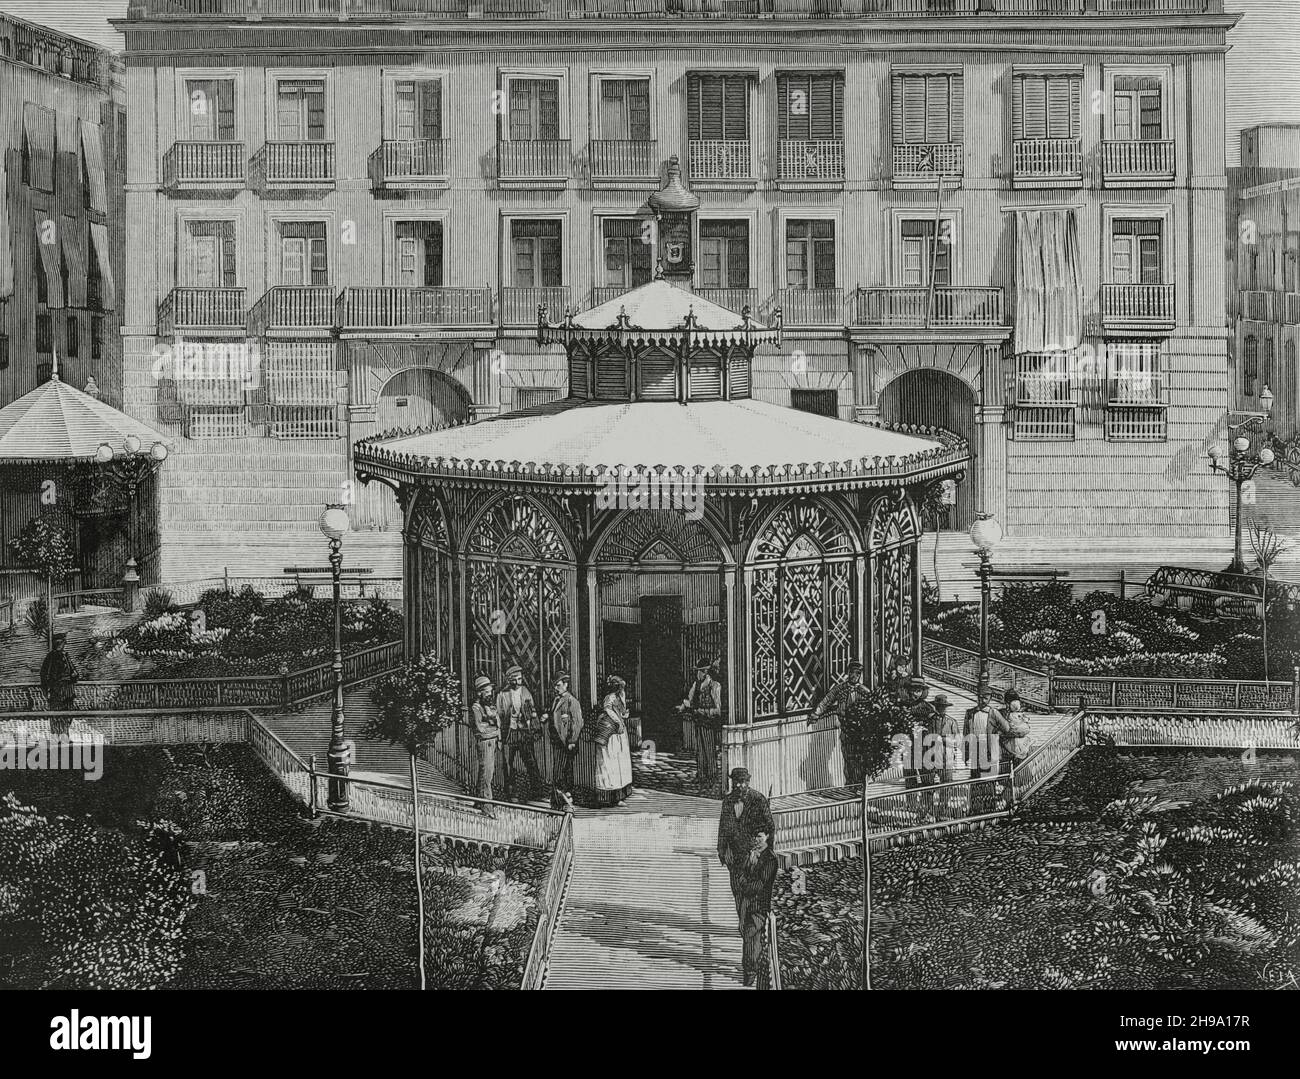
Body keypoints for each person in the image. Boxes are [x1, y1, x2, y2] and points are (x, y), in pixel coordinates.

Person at [718, 767, 776, 943]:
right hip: (734, 856)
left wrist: (762, 851)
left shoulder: (758, 799)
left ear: (748, 782)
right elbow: (723, 829)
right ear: (732, 783)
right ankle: (742, 921)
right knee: (737, 891)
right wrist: (723, 851)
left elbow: (770, 828)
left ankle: (752, 926)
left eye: (743, 782)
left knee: (752, 892)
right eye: (736, 782)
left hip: (753, 855)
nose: (739, 785)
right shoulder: (728, 802)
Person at [734, 830, 779, 988]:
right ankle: (750, 971)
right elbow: (739, 874)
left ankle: (751, 973)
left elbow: (761, 884)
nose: (757, 840)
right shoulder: (751, 854)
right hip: (747, 904)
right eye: (755, 837)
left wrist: (744, 885)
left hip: (759, 905)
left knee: (752, 938)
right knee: (748, 936)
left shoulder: (770, 859)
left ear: (767, 837)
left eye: (760, 836)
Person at [584, 675, 633, 807]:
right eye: (620, 687)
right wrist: (618, 720)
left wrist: (623, 715)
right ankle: (607, 796)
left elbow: (621, 712)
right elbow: (608, 710)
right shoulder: (610, 697)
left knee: (620, 763)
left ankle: (619, 795)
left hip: (618, 734)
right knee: (609, 763)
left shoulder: (619, 697)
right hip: (609, 733)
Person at [497, 665, 542, 802]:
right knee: (509, 764)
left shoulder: (526, 692)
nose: (518, 681)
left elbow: (532, 710)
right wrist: (500, 735)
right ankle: (512, 793)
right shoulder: (502, 695)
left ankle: (537, 791)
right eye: (515, 679)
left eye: (520, 678)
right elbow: (499, 715)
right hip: (509, 732)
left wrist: (531, 723)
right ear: (510, 680)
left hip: (523, 732)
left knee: (530, 762)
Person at [679, 658, 723, 785]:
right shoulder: (696, 685)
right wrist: (683, 706)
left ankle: (712, 775)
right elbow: (690, 700)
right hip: (698, 721)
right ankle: (701, 775)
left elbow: (717, 710)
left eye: (699, 671)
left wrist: (702, 711)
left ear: (705, 672)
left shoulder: (714, 686)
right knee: (700, 750)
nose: (697, 674)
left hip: (709, 723)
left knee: (709, 749)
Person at [964, 688, 1005, 813]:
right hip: (976, 749)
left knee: (989, 780)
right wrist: (966, 754)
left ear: (990, 699)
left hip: (989, 750)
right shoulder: (970, 713)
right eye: (980, 697)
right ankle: (975, 808)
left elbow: (1006, 728)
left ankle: (990, 808)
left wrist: (995, 734)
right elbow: (966, 735)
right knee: (976, 780)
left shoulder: (994, 713)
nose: (982, 700)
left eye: (985, 698)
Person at [547, 671, 584, 798]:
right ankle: (561, 792)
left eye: (558, 685)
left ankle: (566, 792)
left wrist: (572, 741)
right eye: (555, 686)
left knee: (565, 767)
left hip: (567, 741)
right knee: (560, 767)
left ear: (566, 684)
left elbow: (577, 723)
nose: (556, 689)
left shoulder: (571, 701)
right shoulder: (556, 700)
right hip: (557, 740)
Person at [469, 675, 501, 811]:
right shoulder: (476, 708)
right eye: (486, 692)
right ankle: (487, 805)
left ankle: (479, 800)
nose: (489, 694)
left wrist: (492, 724)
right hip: (485, 742)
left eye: (490, 691)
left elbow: (497, 723)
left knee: (487, 771)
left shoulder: (490, 706)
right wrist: (493, 727)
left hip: (492, 741)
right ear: (479, 693)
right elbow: (480, 729)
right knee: (486, 772)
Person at [40, 633, 78, 736]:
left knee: (68, 713)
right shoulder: (51, 657)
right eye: (61, 643)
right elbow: (45, 675)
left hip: (68, 690)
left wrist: (74, 674)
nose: (63, 645)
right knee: (56, 714)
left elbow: (73, 671)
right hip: (57, 690)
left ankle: (65, 734)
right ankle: (56, 736)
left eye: (63, 643)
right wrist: (46, 690)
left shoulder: (66, 655)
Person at [808, 660, 867, 726]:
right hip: (843, 724)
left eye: (858, 673)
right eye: (852, 672)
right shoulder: (840, 688)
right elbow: (827, 700)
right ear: (849, 673)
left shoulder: (864, 690)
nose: (855, 676)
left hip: (859, 725)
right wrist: (816, 713)